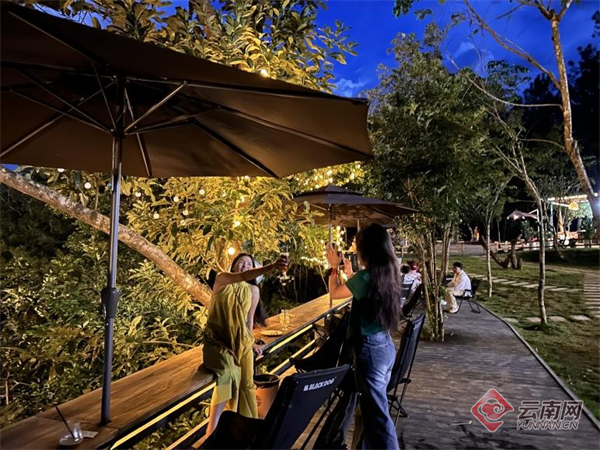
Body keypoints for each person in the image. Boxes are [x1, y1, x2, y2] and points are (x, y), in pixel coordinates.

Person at [326, 224, 401, 450]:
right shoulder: (388, 271)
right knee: (371, 412)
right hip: (384, 346)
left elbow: (334, 293)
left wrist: (333, 268)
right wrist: (350, 275)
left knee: (378, 417)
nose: (355, 247)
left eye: (356, 244)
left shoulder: (366, 276)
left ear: (366, 248)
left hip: (370, 351)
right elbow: (365, 292)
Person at [203, 253, 287, 438]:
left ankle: (243, 428)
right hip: (218, 342)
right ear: (233, 266)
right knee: (228, 373)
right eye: (241, 262)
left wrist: (251, 341)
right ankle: (213, 429)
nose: (244, 266)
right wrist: (271, 266)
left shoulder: (253, 291)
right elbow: (242, 276)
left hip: (242, 342)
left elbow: (248, 321)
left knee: (246, 383)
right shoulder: (223, 279)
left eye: (249, 264)